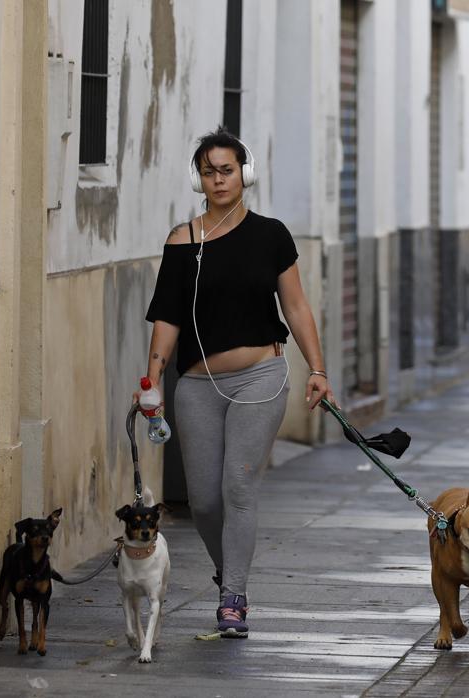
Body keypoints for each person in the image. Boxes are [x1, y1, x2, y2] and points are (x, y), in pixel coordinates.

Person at [139, 127, 336, 638]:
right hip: (198, 385)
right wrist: (154, 377)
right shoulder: (182, 241)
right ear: (197, 179)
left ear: (244, 174)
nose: (218, 179)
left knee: (238, 485)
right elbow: (167, 315)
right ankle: (229, 571)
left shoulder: (271, 235)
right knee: (203, 500)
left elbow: (295, 306)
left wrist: (317, 368)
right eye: (209, 171)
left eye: (227, 169)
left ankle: (234, 597)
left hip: (261, 377)